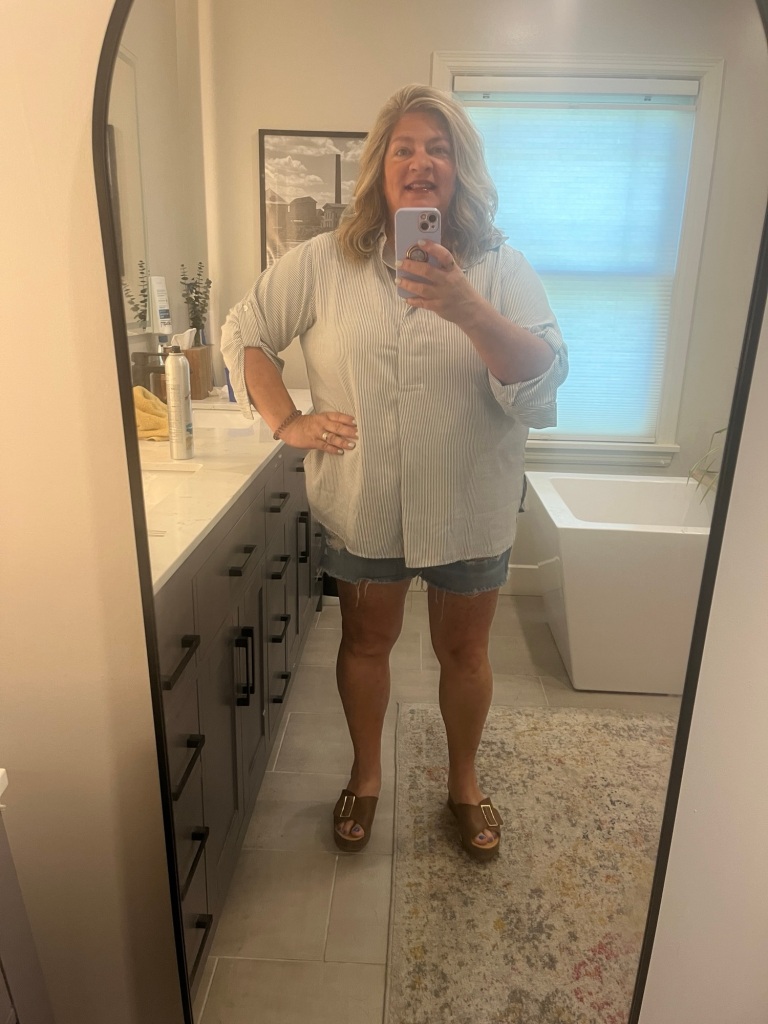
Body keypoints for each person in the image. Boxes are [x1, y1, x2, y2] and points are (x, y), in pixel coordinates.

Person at [220, 84, 568, 862]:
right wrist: (287, 420)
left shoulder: (501, 266)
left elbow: (543, 379)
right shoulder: (322, 262)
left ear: (460, 168)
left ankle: (464, 783)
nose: (421, 161)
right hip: (364, 500)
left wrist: (466, 306)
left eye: (438, 148)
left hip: (467, 502)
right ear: (379, 168)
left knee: (466, 654)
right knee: (365, 643)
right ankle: (366, 774)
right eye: (403, 148)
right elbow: (245, 331)